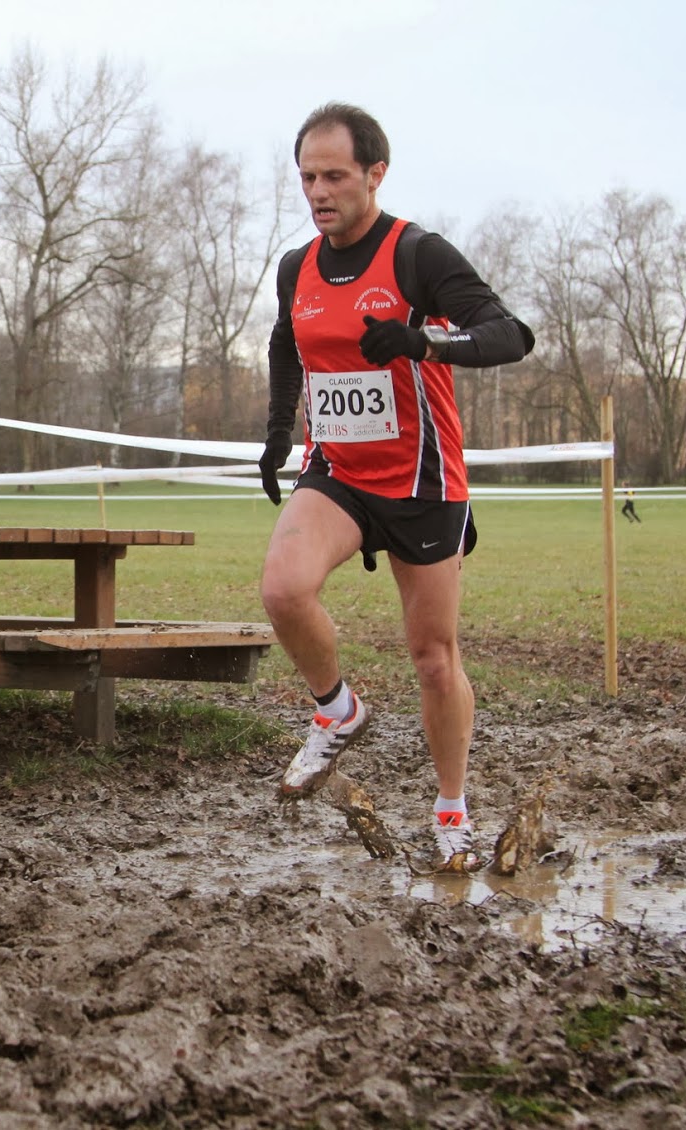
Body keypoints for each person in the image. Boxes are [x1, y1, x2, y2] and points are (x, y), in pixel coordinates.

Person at [258, 102, 534, 872]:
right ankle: (337, 710)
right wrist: (280, 433)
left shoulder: (417, 255)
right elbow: (288, 344)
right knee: (283, 589)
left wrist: (426, 341)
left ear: (376, 173)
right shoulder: (298, 267)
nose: (318, 191)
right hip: (339, 469)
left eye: (335, 175)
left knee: (433, 656)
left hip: (422, 480)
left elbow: (511, 333)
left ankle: (451, 808)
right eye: (307, 176)